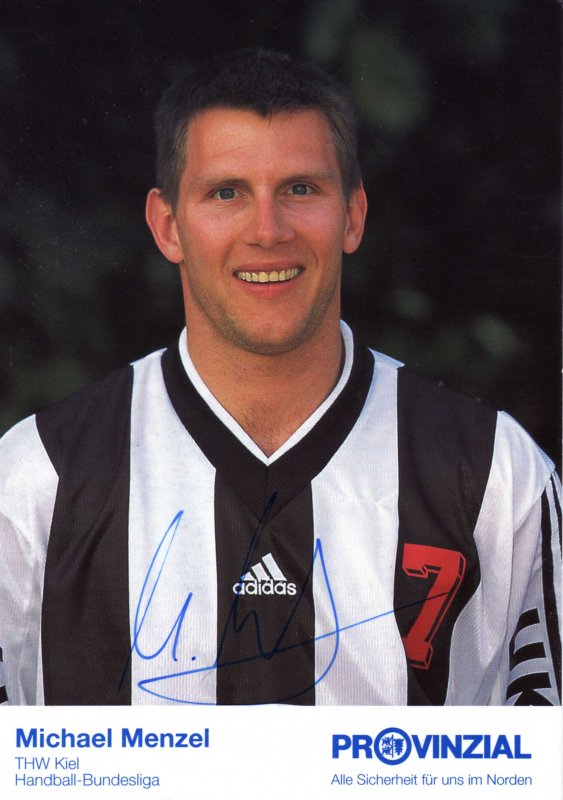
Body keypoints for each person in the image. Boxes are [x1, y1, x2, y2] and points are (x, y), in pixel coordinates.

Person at [0, 49, 560, 707]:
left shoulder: (492, 474)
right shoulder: (38, 478)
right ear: (168, 226)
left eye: (300, 189)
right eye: (226, 193)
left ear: (352, 215)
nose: (267, 231)